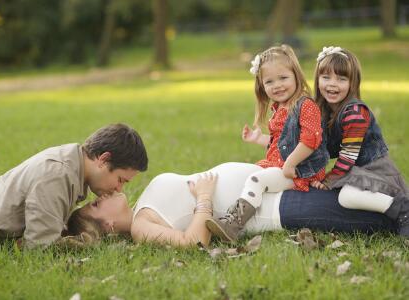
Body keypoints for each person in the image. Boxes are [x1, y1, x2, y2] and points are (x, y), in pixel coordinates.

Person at [0, 123, 148, 250]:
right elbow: (40, 247)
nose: (119, 190)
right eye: (121, 180)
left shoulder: (71, 168)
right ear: (103, 159)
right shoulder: (57, 175)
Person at [70, 162, 395, 247]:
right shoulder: (142, 228)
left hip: (266, 183)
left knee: (349, 181)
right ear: (108, 227)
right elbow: (193, 241)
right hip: (271, 210)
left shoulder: (142, 202)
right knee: (356, 209)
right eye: (96, 207)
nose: (101, 197)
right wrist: (205, 199)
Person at [206, 45, 329, 242]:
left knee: (257, 180)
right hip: (281, 164)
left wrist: (290, 164)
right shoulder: (280, 107)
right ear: (262, 85)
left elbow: (310, 141)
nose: (277, 85)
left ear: (296, 76)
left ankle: (233, 226)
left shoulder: (306, 106)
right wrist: (259, 139)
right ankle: (228, 213)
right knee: (249, 174)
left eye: (283, 78)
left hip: (300, 171)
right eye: (269, 81)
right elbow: (282, 143)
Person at [313, 46, 409, 236]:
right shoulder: (324, 110)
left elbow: (348, 156)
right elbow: (319, 146)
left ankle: (403, 208)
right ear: (317, 80)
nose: (332, 84)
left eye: (341, 79)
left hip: (374, 171)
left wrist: (329, 180)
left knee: (347, 197)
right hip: (355, 172)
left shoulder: (355, 112)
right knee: (344, 195)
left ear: (353, 83)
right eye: (326, 77)